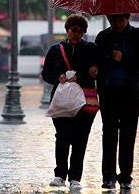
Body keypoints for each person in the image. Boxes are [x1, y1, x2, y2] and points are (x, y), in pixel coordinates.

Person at [41, 14, 99, 192]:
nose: (77, 34)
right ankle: (60, 175)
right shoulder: (55, 50)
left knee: (80, 139)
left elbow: (96, 70)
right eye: (74, 30)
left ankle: (75, 177)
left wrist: (83, 74)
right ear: (67, 30)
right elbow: (46, 73)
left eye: (81, 31)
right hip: (61, 102)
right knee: (63, 136)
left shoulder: (90, 49)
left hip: (84, 102)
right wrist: (58, 77)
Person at [95, 14, 139, 191]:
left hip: (131, 94)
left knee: (128, 135)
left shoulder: (137, 35)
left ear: (127, 18)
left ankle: (125, 176)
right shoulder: (103, 37)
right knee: (109, 135)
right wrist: (104, 61)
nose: (116, 24)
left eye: (120, 20)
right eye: (113, 20)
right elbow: (97, 61)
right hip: (108, 94)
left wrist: (124, 57)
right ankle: (108, 176)